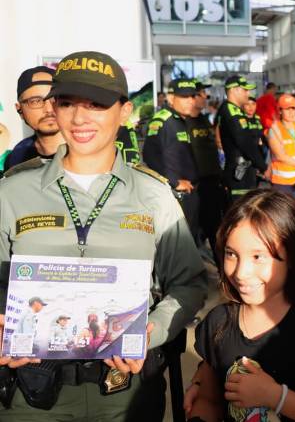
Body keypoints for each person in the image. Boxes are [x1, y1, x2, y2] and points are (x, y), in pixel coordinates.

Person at [0, 51, 207, 420]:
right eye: (66, 103)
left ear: (124, 111)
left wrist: (151, 330)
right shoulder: (13, 192)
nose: (80, 118)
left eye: (96, 104)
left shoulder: (153, 194)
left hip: (125, 395)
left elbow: (188, 284)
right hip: (30, 395)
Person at [183, 190, 295, 422]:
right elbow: (209, 400)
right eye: (231, 254)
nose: (241, 273)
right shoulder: (218, 322)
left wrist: (276, 397)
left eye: (258, 257)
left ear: (292, 256)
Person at [143, 78, 201, 240]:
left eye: (192, 96)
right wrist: (174, 182)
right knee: (178, 244)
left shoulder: (181, 120)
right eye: (184, 97)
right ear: (170, 98)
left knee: (189, 242)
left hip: (189, 193)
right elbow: (150, 155)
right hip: (175, 194)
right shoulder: (163, 120)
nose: (190, 101)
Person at [185, 80, 224, 253]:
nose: (206, 98)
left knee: (215, 229)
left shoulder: (204, 120)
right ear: (192, 97)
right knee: (192, 234)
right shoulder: (182, 122)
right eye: (202, 94)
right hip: (194, 186)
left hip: (212, 183)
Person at [217, 75, 268, 201]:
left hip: (243, 170)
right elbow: (245, 143)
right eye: (245, 90)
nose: (248, 93)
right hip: (239, 172)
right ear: (234, 90)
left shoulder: (234, 110)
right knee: (241, 211)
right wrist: (263, 166)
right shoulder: (231, 111)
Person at [6, 66, 64, 169]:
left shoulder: (92, 150)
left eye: (54, 99)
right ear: (20, 110)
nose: (49, 109)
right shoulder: (17, 157)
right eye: (36, 101)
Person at [267, 94, 295, 197]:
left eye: (293, 109)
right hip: (282, 183)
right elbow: (280, 156)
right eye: (287, 109)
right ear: (280, 111)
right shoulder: (274, 130)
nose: (291, 112)